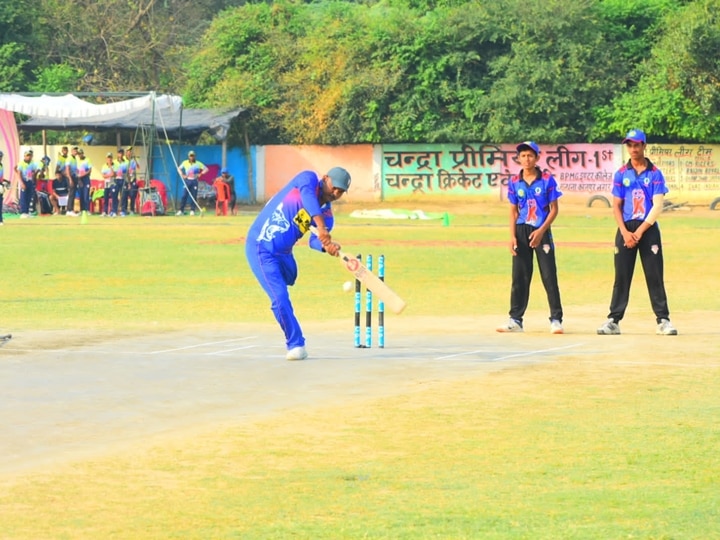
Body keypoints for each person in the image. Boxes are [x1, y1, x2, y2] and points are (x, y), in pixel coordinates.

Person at [245, 166, 351, 360]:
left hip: (284, 255)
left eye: (341, 191)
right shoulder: (307, 179)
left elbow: (314, 241)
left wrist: (326, 247)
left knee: (290, 278)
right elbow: (310, 201)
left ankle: (280, 296)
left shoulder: (327, 216)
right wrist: (321, 228)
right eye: (335, 187)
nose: (336, 193)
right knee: (280, 299)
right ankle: (296, 344)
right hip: (261, 248)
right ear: (325, 178)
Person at [597, 129, 678, 336]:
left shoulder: (655, 173)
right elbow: (616, 205)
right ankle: (614, 320)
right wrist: (625, 232)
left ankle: (663, 319)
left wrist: (640, 232)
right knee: (622, 276)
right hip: (625, 229)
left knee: (654, 275)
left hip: (648, 229)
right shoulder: (621, 173)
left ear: (644, 146)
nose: (633, 149)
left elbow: (657, 206)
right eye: (630, 145)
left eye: (637, 145)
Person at [497, 141, 564, 334]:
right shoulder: (514, 182)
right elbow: (512, 211)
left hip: (541, 231)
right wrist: (512, 237)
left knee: (548, 275)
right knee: (519, 277)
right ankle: (515, 319)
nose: (526, 159)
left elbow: (554, 210)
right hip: (521, 231)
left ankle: (556, 319)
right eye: (523, 156)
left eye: (530, 156)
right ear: (519, 158)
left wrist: (541, 231)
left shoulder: (546, 180)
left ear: (537, 158)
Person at [176, 150, 208, 215]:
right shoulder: (185, 162)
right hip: (187, 181)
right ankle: (181, 210)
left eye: (193, 156)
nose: (191, 157)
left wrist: (201, 173)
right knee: (184, 196)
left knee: (194, 196)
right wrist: (182, 175)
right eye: (190, 156)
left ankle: (192, 210)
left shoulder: (198, 163)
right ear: (188, 156)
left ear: (194, 156)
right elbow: (178, 168)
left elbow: (206, 169)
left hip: (194, 181)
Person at [15, 149, 40, 218]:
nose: (29, 157)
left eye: (30, 156)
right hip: (24, 180)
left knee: (29, 196)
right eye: (27, 156)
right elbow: (19, 174)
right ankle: (23, 212)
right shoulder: (21, 163)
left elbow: (35, 170)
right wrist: (21, 183)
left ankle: (27, 212)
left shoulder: (32, 163)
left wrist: (37, 171)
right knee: (23, 196)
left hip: (30, 181)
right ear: (25, 156)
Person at [74, 147, 92, 215]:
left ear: (83, 153)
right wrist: (78, 178)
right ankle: (82, 210)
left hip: (86, 179)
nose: (79, 155)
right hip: (79, 179)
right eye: (78, 154)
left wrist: (82, 175)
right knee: (81, 195)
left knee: (86, 195)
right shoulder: (77, 161)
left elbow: (89, 170)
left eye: (80, 154)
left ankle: (87, 210)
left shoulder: (87, 160)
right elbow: (76, 170)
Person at [122, 146, 140, 215]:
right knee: (124, 195)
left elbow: (138, 167)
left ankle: (132, 209)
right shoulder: (123, 160)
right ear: (126, 152)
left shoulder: (134, 160)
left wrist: (135, 159)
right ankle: (124, 210)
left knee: (133, 194)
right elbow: (123, 171)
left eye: (130, 151)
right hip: (126, 180)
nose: (129, 152)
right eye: (128, 151)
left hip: (133, 179)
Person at [100, 152, 119, 217]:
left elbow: (114, 174)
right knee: (106, 198)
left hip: (113, 183)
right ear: (106, 158)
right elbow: (103, 176)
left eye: (110, 158)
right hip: (106, 183)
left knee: (114, 197)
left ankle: (114, 211)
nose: (109, 159)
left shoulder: (115, 165)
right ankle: (105, 211)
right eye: (108, 158)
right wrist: (109, 175)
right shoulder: (104, 166)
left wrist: (111, 167)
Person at [65, 146, 79, 216]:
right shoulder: (69, 158)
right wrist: (70, 179)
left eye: (76, 151)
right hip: (70, 177)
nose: (76, 152)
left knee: (73, 194)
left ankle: (71, 209)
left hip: (74, 177)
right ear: (71, 151)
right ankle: (69, 210)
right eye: (74, 150)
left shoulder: (74, 159)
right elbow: (67, 169)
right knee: (71, 194)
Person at [0, 150, 8, 225]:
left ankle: (1, 219)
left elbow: (1, 177)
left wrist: (6, 181)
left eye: (1, 157)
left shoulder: (1, 165)